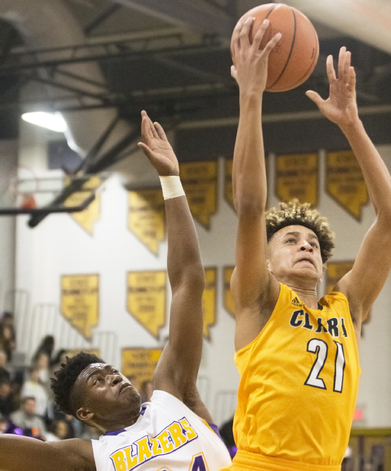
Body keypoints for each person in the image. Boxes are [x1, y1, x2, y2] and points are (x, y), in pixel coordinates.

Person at [0, 111, 231, 471]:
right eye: (99, 381)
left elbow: (189, 280)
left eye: (110, 371)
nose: (115, 377)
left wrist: (170, 180)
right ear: (86, 412)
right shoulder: (88, 456)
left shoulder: (172, 393)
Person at [228, 16, 391, 471]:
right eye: (290, 240)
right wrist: (251, 96)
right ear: (265, 262)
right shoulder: (259, 299)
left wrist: (351, 125)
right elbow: (250, 206)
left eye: (311, 242)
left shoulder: (346, 306)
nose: (305, 246)